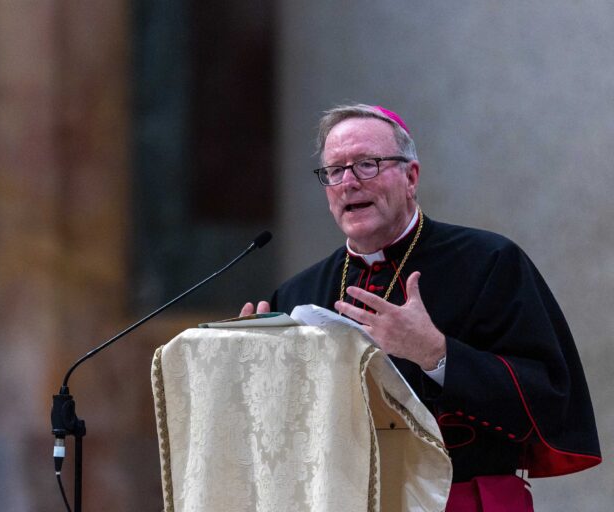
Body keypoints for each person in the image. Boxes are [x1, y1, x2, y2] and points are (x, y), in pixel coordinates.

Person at [241, 104, 601, 509]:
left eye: (367, 164)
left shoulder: (490, 262)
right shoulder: (297, 293)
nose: (348, 182)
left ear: (411, 177)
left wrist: (436, 354)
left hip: (459, 498)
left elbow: (549, 398)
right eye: (335, 170)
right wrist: (259, 374)